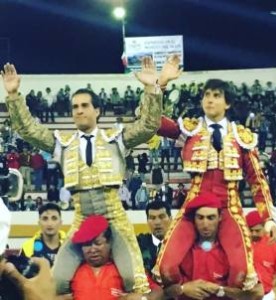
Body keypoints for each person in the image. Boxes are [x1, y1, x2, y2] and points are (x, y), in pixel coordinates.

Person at [1, 55, 182, 294]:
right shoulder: (62, 143)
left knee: (135, 279)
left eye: (84, 106)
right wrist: (13, 96)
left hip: (114, 219)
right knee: (58, 282)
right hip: (81, 219)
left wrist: (151, 88)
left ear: (97, 110)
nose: (79, 111)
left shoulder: (116, 138)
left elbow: (149, 125)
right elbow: (28, 130)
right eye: (75, 107)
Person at [156, 79, 276, 290]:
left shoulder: (242, 137)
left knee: (241, 273)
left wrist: (268, 217)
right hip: (193, 206)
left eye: (216, 95)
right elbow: (154, 124)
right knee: (167, 267)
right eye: (206, 95)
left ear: (227, 103)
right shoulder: (189, 130)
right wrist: (157, 88)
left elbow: (257, 180)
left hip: (228, 206)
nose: (209, 100)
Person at [164, 193, 264, 300]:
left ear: (220, 217)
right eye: (200, 218)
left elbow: (258, 293)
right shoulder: (181, 252)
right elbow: (163, 292)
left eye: (211, 218)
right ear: (194, 219)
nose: (205, 224)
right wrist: (183, 289)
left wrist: (220, 290)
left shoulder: (233, 252)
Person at [71, 215, 163, 300]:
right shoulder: (73, 272)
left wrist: (143, 298)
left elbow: (158, 292)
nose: (92, 249)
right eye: (87, 244)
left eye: (98, 243)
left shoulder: (126, 268)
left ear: (109, 243)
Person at [246, 211, 276, 300]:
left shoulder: (274, 246)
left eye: (257, 230)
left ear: (265, 228)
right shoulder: (240, 245)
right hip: (243, 296)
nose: (254, 234)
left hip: (266, 296)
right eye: (251, 230)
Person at [137, 201, 172, 274]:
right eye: (152, 218)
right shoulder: (138, 244)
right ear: (147, 221)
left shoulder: (180, 244)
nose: (157, 222)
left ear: (170, 219)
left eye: (162, 217)